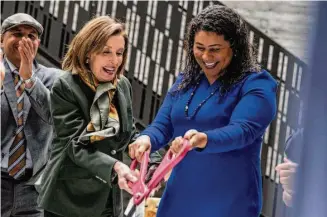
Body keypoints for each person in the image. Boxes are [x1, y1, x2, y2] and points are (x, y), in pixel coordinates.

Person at [128, 5, 278, 217]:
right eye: (199, 47)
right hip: (178, 201)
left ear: (234, 48)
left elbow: (244, 130)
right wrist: (146, 140)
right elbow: (163, 126)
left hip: (230, 204)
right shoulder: (185, 82)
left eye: (215, 49)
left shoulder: (257, 83)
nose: (206, 56)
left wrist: (202, 139)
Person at [37, 15, 157, 217]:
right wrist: (116, 167)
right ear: (87, 53)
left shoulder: (122, 86)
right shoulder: (65, 86)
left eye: (119, 53)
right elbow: (74, 145)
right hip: (69, 199)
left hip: (109, 198)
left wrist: (148, 154)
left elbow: (127, 134)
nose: (115, 60)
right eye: (106, 52)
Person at [1, 13, 59, 217]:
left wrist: (29, 78)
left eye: (31, 36)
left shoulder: (54, 78)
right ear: (1, 39)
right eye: (17, 33)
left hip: (32, 186)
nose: (24, 40)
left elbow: (55, 116)